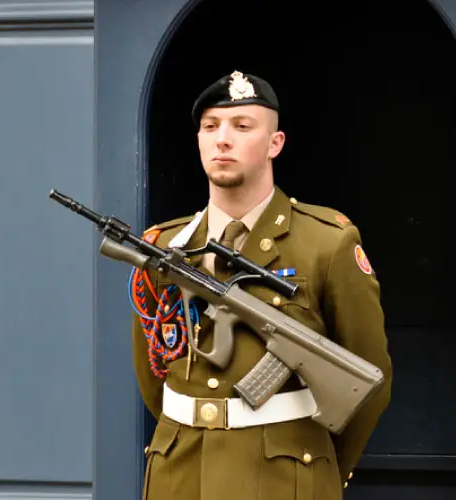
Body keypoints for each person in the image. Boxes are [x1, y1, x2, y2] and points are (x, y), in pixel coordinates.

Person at [130, 70, 393, 500]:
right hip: (179, 475)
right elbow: (153, 371)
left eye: (242, 126)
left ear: (276, 143)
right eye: (210, 127)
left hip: (285, 480)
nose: (223, 139)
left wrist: (322, 468)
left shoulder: (326, 243)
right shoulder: (166, 246)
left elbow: (369, 380)